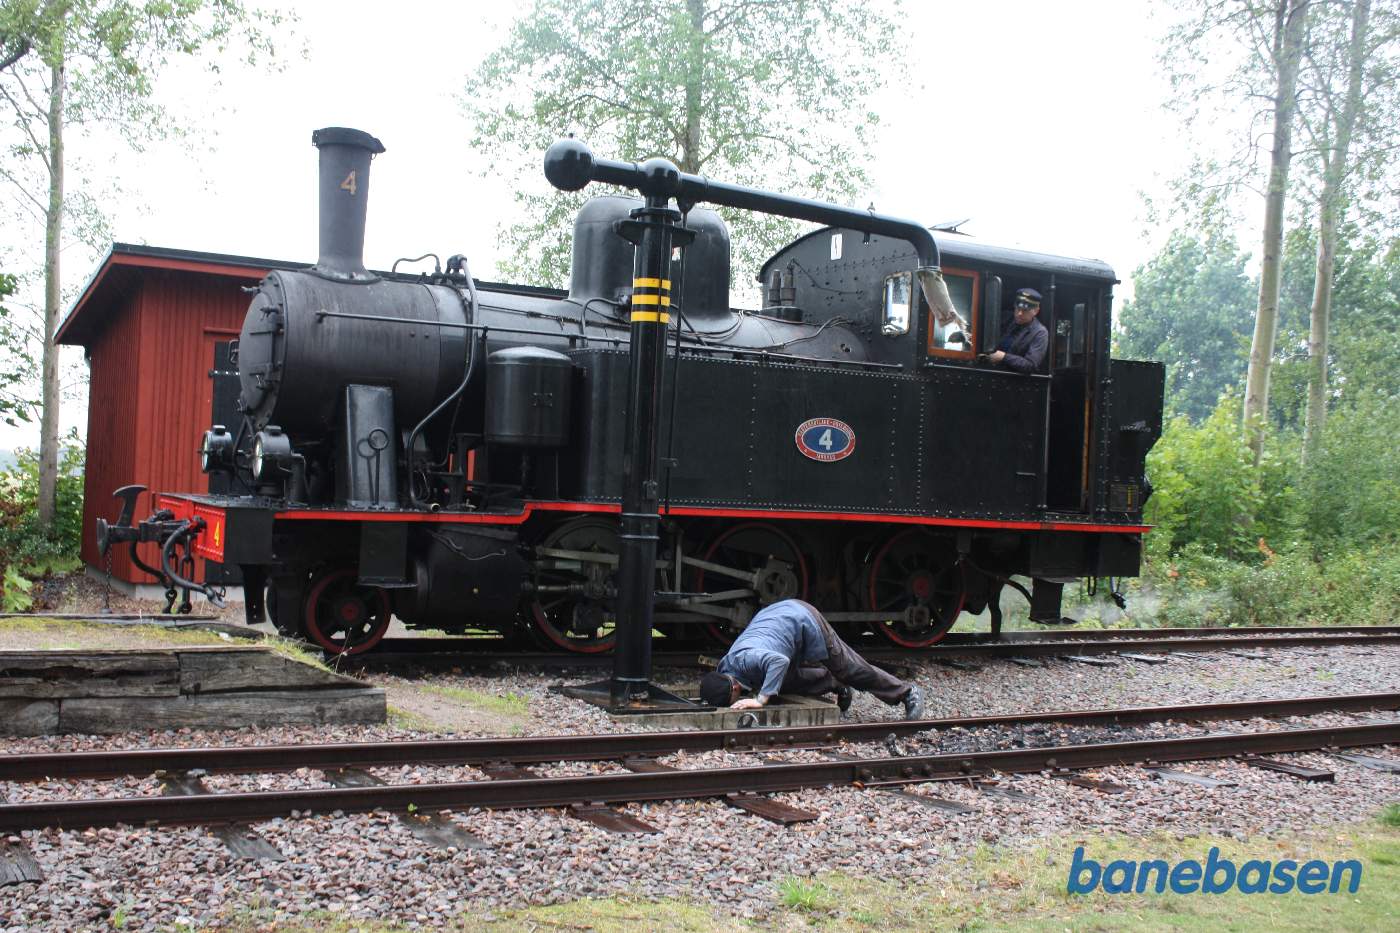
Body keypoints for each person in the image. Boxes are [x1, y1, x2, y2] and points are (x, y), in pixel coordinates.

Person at [698, 598, 926, 719]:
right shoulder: (726, 668)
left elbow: (778, 661)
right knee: (781, 684)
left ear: (734, 686)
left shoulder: (745, 660)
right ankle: (837, 685)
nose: (738, 703)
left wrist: (760, 700)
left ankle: (906, 693)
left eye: (735, 701)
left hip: (801, 619)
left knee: (849, 668)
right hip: (781, 618)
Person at [984, 287, 1048, 373]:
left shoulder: (1040, 332)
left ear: (1036, 311)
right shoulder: (1005, 317)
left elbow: (1031, 365)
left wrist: (1004, 357)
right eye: (1018, 308)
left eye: (1025, 310)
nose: (1019, 314)